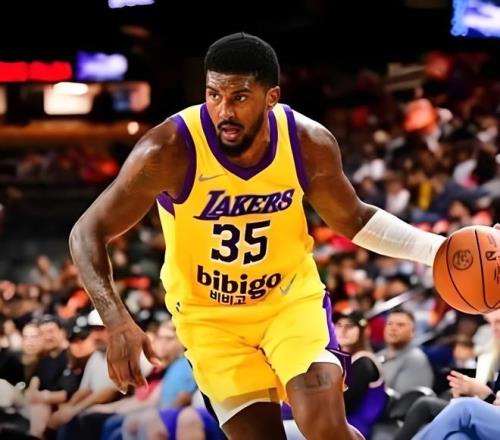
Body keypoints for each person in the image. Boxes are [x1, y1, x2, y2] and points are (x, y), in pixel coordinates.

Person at [71, 32, 471, 440]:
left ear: (271, 97)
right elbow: (87, 232)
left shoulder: (307, 142)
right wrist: (116, 320)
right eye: (214, 95)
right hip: (210, 319)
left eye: (240, 97)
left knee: (324, 426)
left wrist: (439, 250)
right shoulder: (168, 149)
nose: (223, 111)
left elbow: (355, 219)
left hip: (288, 303)